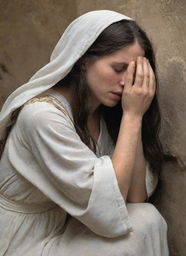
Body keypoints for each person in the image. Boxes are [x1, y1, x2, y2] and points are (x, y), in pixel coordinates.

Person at [0, 10, 169, 256]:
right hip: (21, 240)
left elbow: (135, 197)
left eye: (133, 74)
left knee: (147, 219)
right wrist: (132, 115)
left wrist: (134, 116)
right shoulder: (42, 116)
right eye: (119, 68)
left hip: (66, 230)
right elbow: (107, 209)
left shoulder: (101, 113)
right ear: (82, 60)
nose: (126, 83)